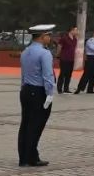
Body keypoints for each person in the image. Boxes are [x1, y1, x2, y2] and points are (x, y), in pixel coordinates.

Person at [18, 24, 56, 167]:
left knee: (26, 124)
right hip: (38, 92)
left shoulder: (25, 51)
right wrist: (50, 94)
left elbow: (23, 74)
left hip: (26, 90)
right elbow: (47, 76)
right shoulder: (44, 53)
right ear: (42, 37)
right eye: (48, 35)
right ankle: (30, 158)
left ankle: (25, 157)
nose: (50, 38)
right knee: (36, 125)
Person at [75, 30, 94, 94]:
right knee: (87, 74)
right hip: (90, 59)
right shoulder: (90, 41)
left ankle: (90, 89)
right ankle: (79, 88)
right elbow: (92, 48)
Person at [55, 26, 77, 94]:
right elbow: (59, 47)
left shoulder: (75, 39)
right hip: (64, 58)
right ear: (71, 30)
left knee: (69, 74)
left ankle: (66, 88)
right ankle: (59, 89)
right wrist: (58, 55)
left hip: (71, 59)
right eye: (76, 30)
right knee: (63, 73)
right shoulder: (64, 38)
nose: (77, 32)